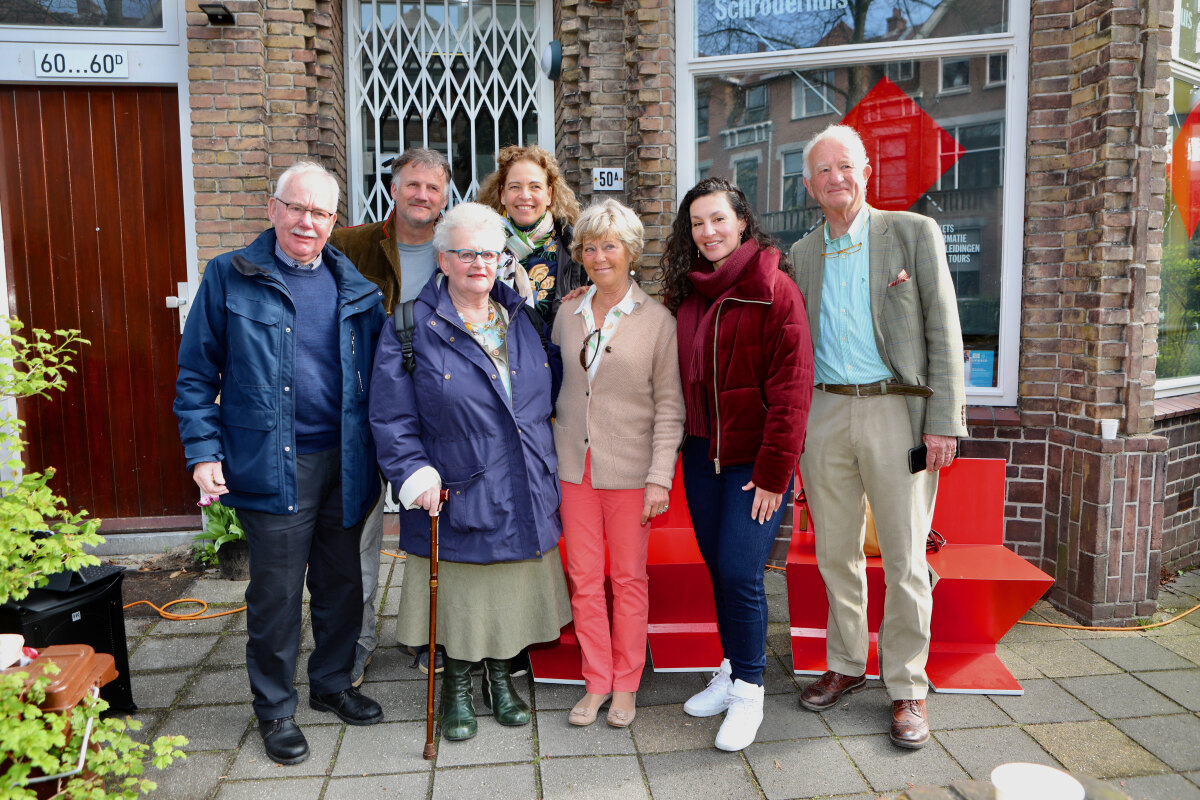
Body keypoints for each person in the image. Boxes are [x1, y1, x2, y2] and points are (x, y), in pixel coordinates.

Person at [174, 161, 387, 766]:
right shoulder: (229, 277)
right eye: (296, 208)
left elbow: (385, 379)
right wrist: (203, 453)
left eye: (320, 212)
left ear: (333, 222)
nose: (307, 222)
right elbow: (196, 376)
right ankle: (274, 709)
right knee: (275, 595)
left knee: (343, 587)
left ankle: (331, 685)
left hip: (346, 463)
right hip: (271, 464)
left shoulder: (357, 289)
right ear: (273, 210)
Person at [790, 124, 966, 750]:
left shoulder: (913, 234)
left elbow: (944, 330)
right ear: (809, 186)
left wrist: (944, 420)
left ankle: (907, 686)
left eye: (846, 166)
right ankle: (845, 663)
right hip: (826, 414)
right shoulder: (802, 253)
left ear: (867, 171)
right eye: (823, 171)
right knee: (834, 552)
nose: (836, 178)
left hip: (898, 412)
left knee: (905, 556)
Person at [370, 202, 572, 742]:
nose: (479, 262)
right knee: (462, 594)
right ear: (443, 260)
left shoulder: (524, 318)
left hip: (524, 478)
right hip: (458, 483)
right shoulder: (412, 325)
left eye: (489, 251)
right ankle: (456, 686)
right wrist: (414, 473)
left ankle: (500, 680)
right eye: (466, 253)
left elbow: (546, 394)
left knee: (509, 591)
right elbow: (390, 416)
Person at [660, 177, 813, 752]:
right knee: (719, 569)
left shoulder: (774, 288)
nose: (708, 232)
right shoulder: (691, 292)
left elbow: (793, 390)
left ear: (742, 221)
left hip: (755, 463)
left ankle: (751, 690)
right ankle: (731, 670)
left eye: (718, 219)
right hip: (702, 457)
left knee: (742, 573)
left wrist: (775, 474)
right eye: (697, 223)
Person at [552, 199, 684, 728]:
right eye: (589, 246)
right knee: (584, 581)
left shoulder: (658, 322)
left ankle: (626, 684)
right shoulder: (567, 311)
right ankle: (596, 680)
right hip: (572, 470)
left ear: (630, 251)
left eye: (609, 245)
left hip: (630, 474)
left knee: (628, 580)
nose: (598, 256)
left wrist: (659, 477)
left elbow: (670, 406)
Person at [330, 147, 452, 682]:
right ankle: (353, 643)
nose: (421, 195)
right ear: (394, 188)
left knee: (434, 529)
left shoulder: (457, 248)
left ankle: (433, 637)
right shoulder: (349, 244)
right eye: (412, 185)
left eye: (432, 187)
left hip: (433, 416)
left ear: (445, 195)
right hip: (361, 410)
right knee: (358, 533)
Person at [477, 144, 585, 327]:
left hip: (556, 354)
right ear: (502, 194)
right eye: (515, 187)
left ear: (549, 194)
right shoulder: (479, 244)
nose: (525, 195)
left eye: (535, 187)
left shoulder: (576, 248)